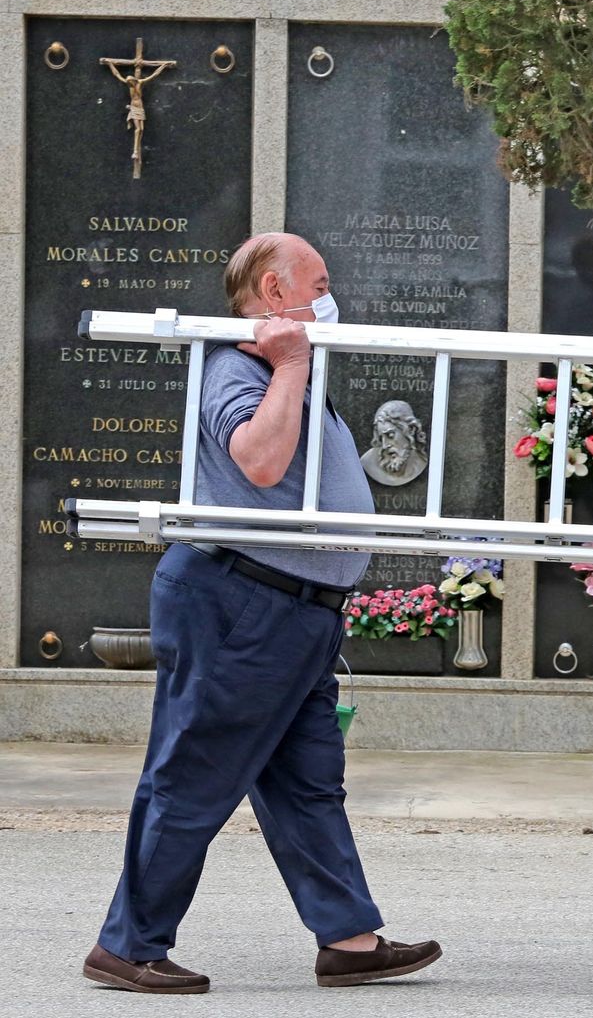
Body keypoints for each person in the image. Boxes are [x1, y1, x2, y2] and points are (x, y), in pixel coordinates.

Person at [83, 233, 441, 994]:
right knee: (194, 775)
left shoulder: (286, 370)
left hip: (295, 612)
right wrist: (290, 362)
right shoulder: (237, 368)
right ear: (276, 293)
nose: (330, 290)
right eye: (318, 280)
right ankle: (129, 944)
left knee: (307, 780)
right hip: (244, 603)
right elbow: (260, 459)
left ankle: (349, 938)